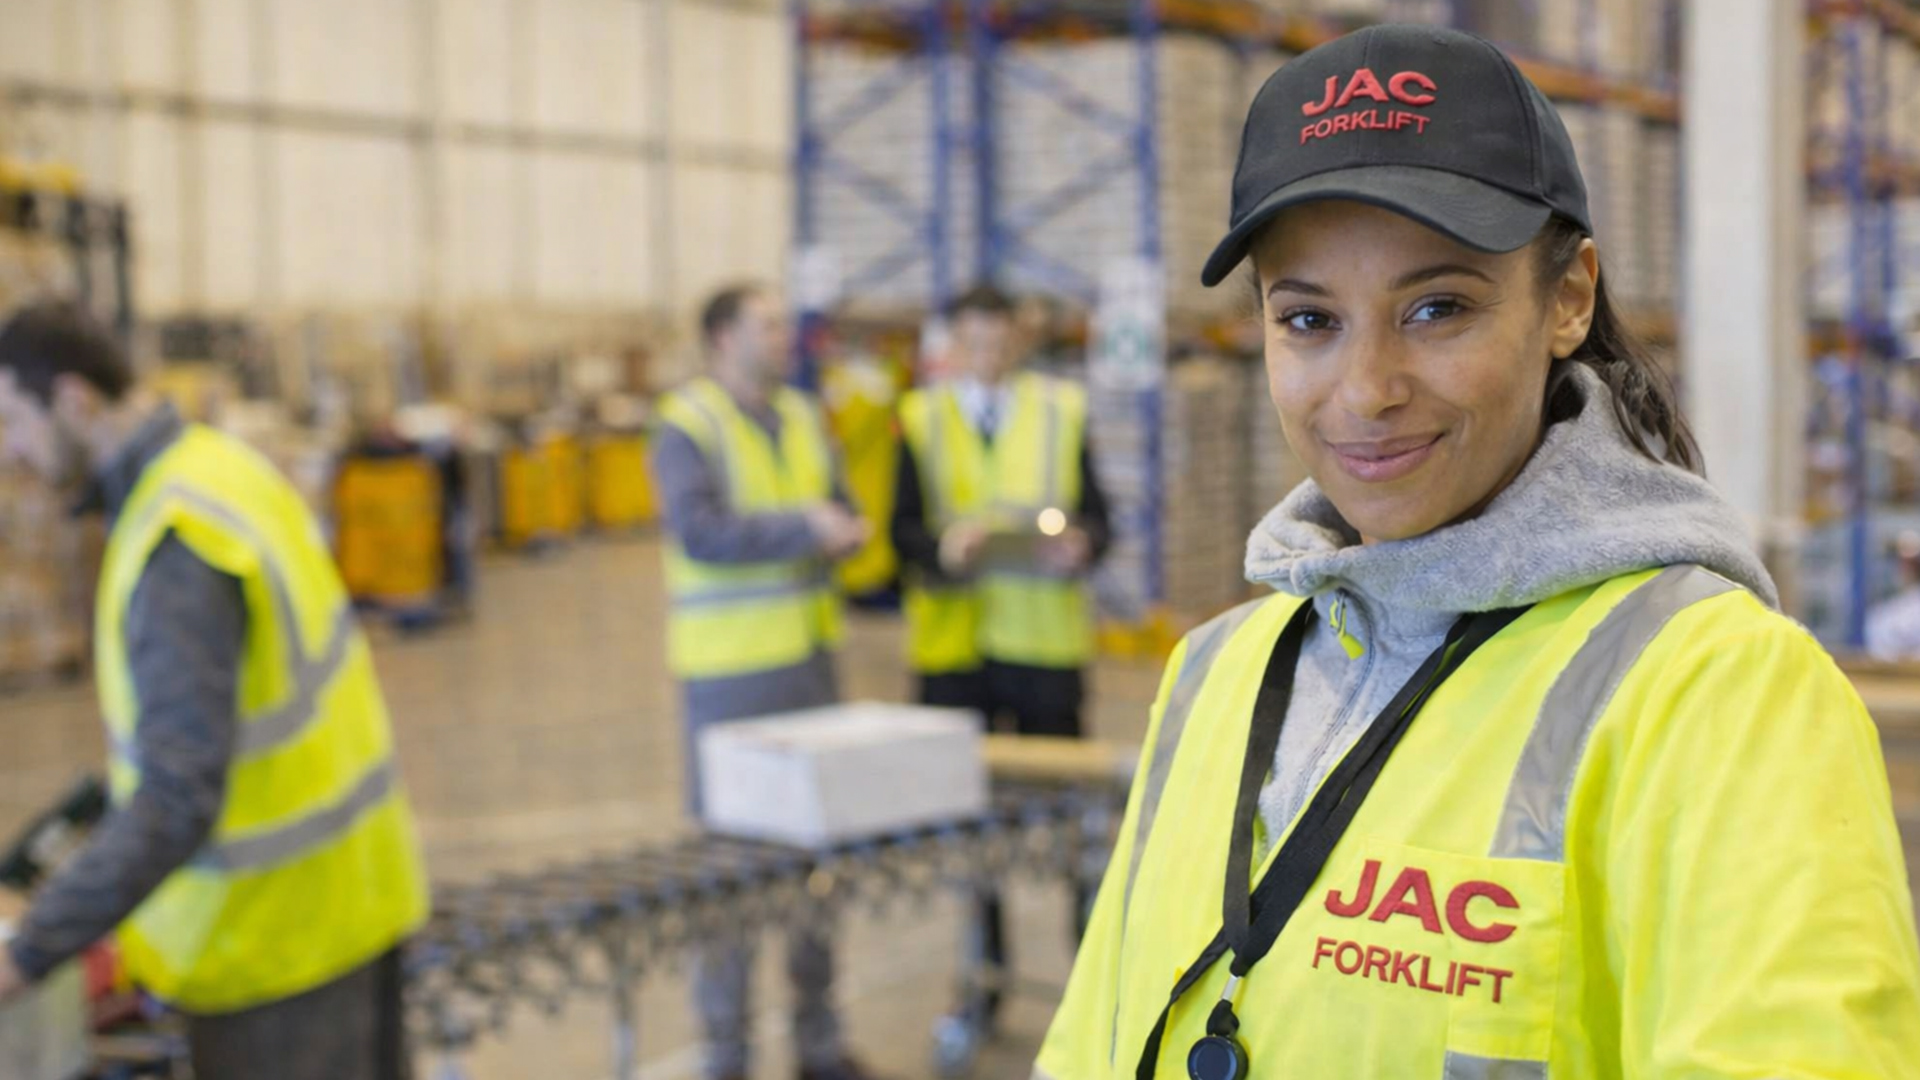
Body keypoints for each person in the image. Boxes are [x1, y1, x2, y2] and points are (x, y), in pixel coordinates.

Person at [1039, 25, 1920, 1080]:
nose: (1366, 390)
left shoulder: (1719, 692)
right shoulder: (1212, 677)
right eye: (1310, 320)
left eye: (1437, 308)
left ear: (1568, 299)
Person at [0, 303, 427, 1080]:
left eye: (11, 421)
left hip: (274, 959)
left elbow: (175, 795)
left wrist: (28, 953)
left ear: (73, 398)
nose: (9, 452)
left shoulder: (175, 541)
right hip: (351, 909)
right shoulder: (218, 469)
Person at [648, 284, 882, 1080]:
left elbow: (836, 505)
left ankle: (819, 1046)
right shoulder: (688, 426)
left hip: (810, 666)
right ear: (721, 337)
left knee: (814, 870)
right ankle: (727, 1058)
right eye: (769, 323)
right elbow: (700, 532)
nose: (787, 336)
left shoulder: (806, 417)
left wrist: (845, 532)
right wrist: (804, 529)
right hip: (729, 681)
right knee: (731, 883)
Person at [890, 283, 1111, 1024]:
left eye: (1000, 341)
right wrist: (945, 548)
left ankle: (1088, 985)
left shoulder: (1060, 413)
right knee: (970, 829)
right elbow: (901, 538)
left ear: (1017, 340)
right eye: (974, 342)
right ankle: (982, 982)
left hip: (1042, 647)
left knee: (1069, 825)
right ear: (953, 344)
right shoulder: (920, 419)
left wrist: (1082, 543)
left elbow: (1099, 519)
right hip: (955, 653)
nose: (988, 356)